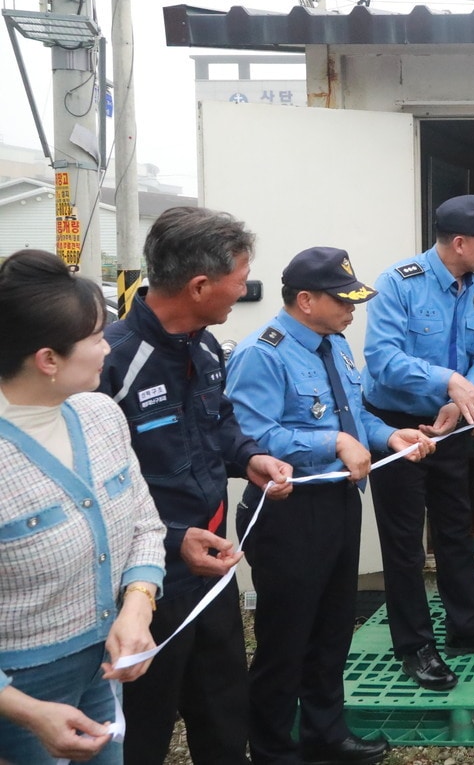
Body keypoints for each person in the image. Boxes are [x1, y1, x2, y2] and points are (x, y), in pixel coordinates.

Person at [226, 248, 437, 765]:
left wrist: (391, 436)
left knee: (332, 628)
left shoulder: (335, 345)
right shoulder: (263, 353)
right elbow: (250, 436)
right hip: (288, 511)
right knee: (286, 636)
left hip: (339, 504)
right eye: (342, 301)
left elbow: (355, 415)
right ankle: (273, 747)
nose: (351, 310)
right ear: (305, 301)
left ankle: (326, 731)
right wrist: (332, 443)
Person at [99, 206, 293, 765]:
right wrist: (171, 539)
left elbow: (221, 426)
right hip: (142, 590)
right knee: (144, 727)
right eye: (238, 279)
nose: (243, 291)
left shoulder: (206, 347)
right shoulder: (111, 363)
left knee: (224, 711)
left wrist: (252, 459)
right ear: (200, 285)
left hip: (213, 574)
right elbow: (97, 490)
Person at [0, 251, 165, 765]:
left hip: (101, 669)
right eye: (97, 336)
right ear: (48, 359)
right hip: (18, 695)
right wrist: (26, 710)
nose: (106, 346)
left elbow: (144, 523)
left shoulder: (99, 414)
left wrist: (137, 606)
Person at [362, 194, 474, 693]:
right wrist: (448, 381)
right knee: (406, 542)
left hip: (448, 425)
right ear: (459, 243)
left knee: (456, 528)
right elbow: (382, 359)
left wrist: (461, 402)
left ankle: (466, 627)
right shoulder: (397, 284)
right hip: (396, 428)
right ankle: (414, 647)